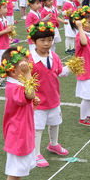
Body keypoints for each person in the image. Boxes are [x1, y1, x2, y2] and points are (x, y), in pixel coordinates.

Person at [27, 22, 70, 167]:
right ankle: (36, 153)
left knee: (55, 123)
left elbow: (60, 72)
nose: (47, 43)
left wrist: (71, 67)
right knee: (38, 128)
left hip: (53, 98)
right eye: (42, 40)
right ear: (34, 41)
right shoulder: (29, 60)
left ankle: (53, 144)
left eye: (50, 40)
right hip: (38, 102)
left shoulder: (54, 56)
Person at [0, 47, 37, 180]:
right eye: (24, 67)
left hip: (23, 130)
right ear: (13, 71)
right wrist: (28, 74)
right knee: (14, 172)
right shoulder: (13, 86)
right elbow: (30, 94)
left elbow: (30, 97)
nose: (28, 69)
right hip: (17, 133)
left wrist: (33, 100)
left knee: (19, 171)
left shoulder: (18, 84)